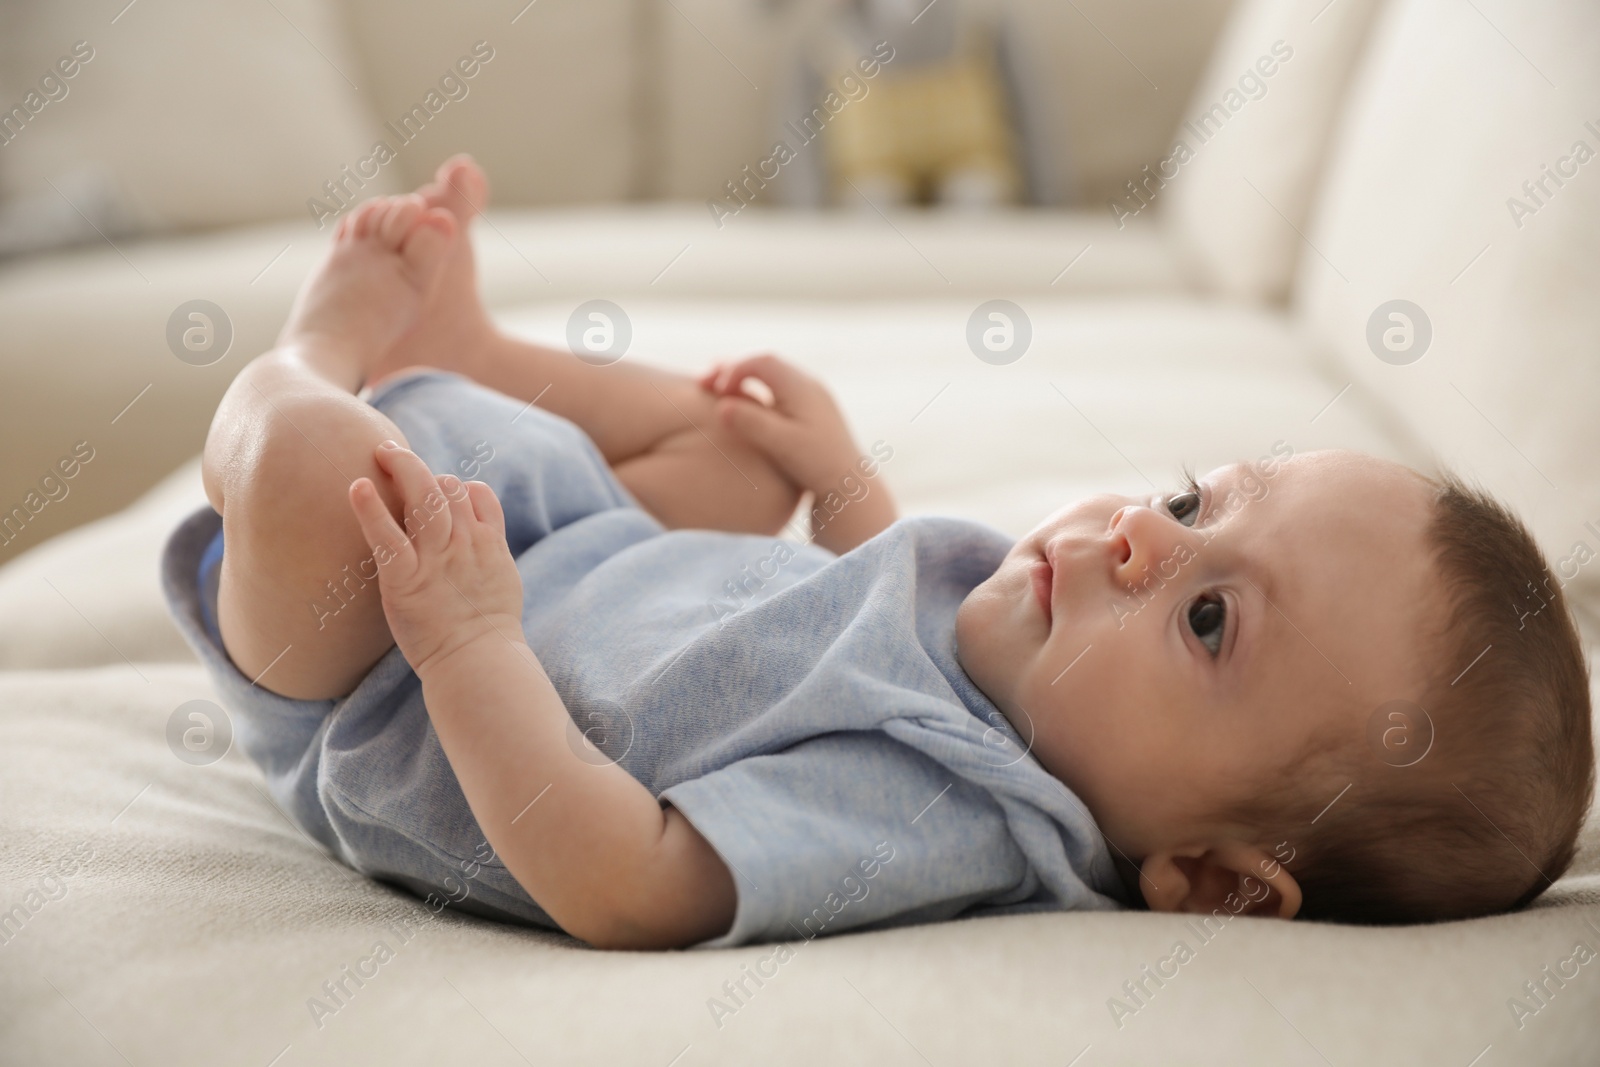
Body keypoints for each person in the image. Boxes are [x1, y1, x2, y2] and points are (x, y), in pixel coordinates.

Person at [161, 156, 1593, 950]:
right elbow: (864, 604)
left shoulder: (939, 814)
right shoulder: (1023, 662)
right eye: (1196, 500)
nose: (1143, 535)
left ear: (1214, 879)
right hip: (575, 563)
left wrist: (467, 643)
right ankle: (472, 357)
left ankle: (320, 351)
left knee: (306, 465)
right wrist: (839, 481)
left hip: (386, 685)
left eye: (1211, 619)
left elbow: (627, 881)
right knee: (739, 442)